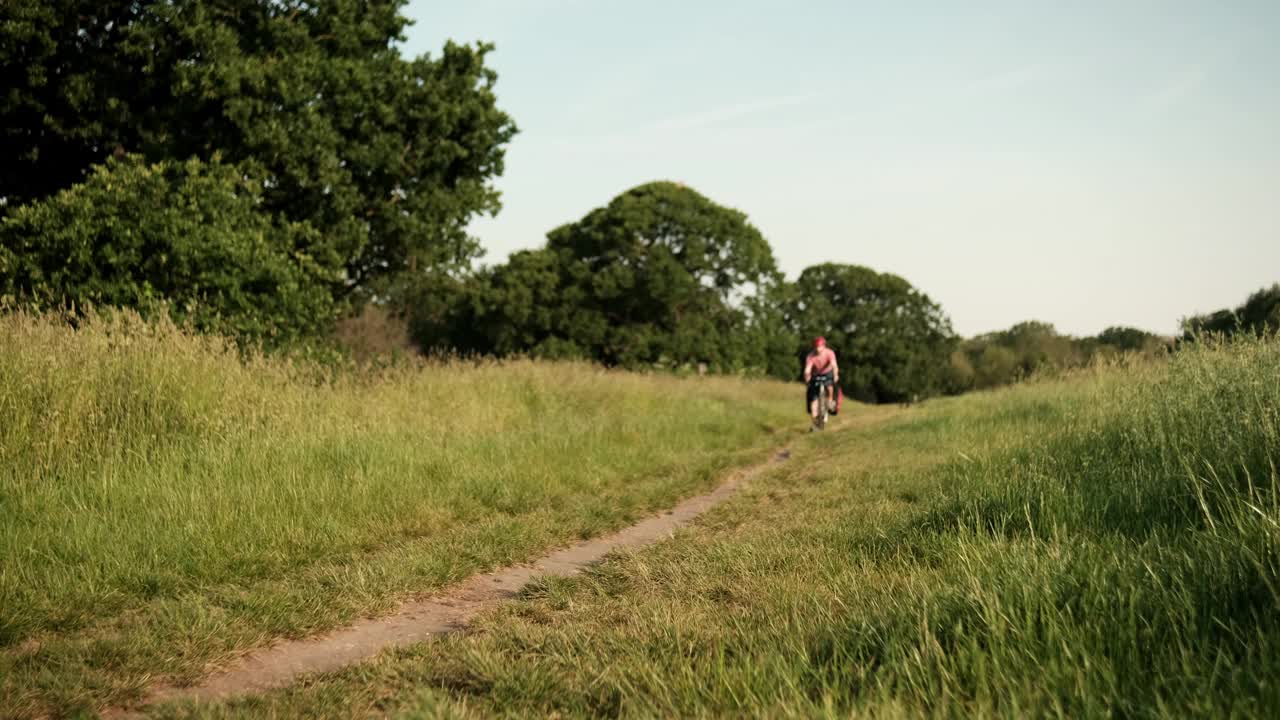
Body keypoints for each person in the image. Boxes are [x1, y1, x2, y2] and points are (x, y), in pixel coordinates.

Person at [804, 336, 839, 424]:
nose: (818, 349)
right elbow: (808, 369)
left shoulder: (829, 353)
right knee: (813, 397)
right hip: (816, 375)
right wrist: (807, 377)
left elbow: (834, 365)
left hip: (828, 373)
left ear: (824, 346)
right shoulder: (810, 356)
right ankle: (815, 421)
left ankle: (830, 402)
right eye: (816, 347)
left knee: (830, 386)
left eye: (820, 347)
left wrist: (835, 374)